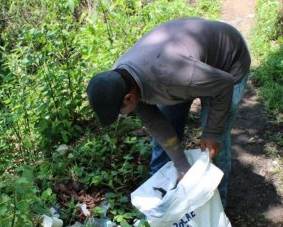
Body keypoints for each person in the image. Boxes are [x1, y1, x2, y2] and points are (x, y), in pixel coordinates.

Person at [86, 17, 251, 207]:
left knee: (214, 145)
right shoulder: (121, 80)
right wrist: (182, 166)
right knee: (165, 138)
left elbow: (223, 85)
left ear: (129, 99)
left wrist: (212, 132)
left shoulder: (171, 77)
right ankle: (163, 197)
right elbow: (157, 125)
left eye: (120, 113)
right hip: (185, 69)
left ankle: (217, 208)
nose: (123, 116)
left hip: (228, 64)